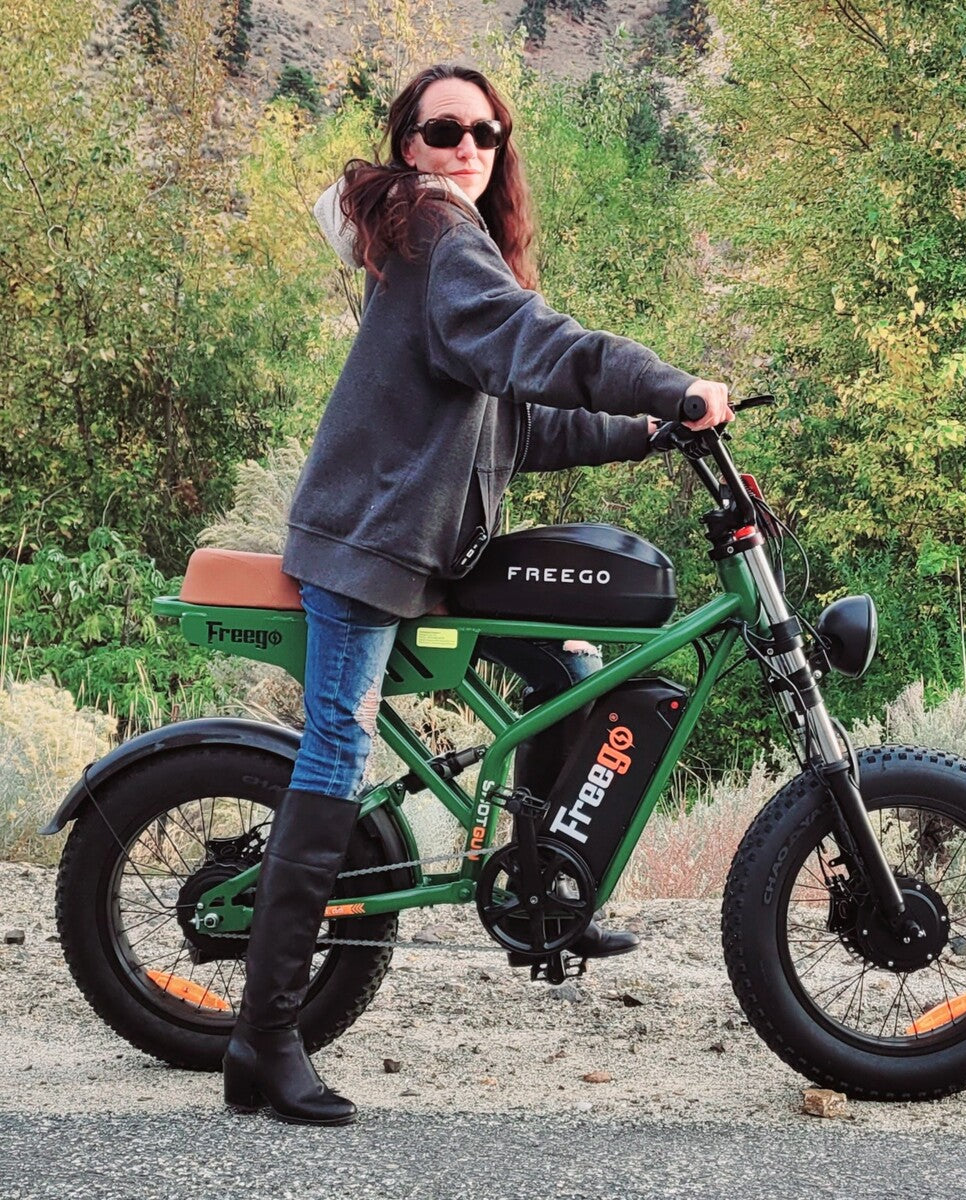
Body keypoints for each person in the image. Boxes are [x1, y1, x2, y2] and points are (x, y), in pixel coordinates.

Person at [222, 61, 734, 1127]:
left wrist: (648, 428)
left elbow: (521, 421)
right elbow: (540, 346)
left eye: (486, 132)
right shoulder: (431, 228)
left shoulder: (454, 254)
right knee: (335, 753)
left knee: (571, 668)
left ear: (502, 147)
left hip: (428, 552)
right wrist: (667, 379)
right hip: (367, 547)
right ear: (407, 144)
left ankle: (546, 887)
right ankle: (263, 1039)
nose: (466, 148)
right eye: (444, 129)